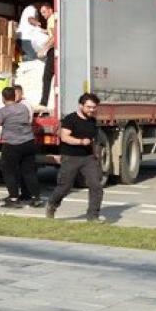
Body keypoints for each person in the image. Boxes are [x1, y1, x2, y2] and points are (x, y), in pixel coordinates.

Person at [47, 92, 105, 222]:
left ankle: (93, 216)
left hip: (88, 158)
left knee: (96, 185)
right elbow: (64, 137)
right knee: (65, 186)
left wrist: (96, 155)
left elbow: (94, 140)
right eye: (88, 107)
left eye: (94, 107)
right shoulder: (70, 119)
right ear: (81, 106)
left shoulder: (92, 121)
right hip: (70, 157)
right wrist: (80, 141)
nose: (91, 110)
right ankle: (52, 204)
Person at [0, 85, 42, 208]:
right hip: (28, 142)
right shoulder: (23, 108)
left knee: (9, 172)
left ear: (3, 98)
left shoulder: (3, 111)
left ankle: (13, 198)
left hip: (12, 145)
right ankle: (35, 197)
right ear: (15, 96)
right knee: (29, 172)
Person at [14, 5, 49, 95]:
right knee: (36, 60)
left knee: (31, 61)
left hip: (24, 38)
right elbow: (30, 19)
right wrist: (37, 23)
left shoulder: (29, 11)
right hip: (27, 39)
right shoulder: (31, 9)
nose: (42, 14)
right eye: (42, 12)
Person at [39, 2, 59, 107]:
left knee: (47, 76)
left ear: (50, 10)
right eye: (41, 13)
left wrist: (44, 49)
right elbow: (52, 35)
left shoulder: (51, 19)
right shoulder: (53, 19)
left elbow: (55, 36)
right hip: (55, 50)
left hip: (54, 51)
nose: (43, 15)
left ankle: (43, 102)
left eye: (44, 12)